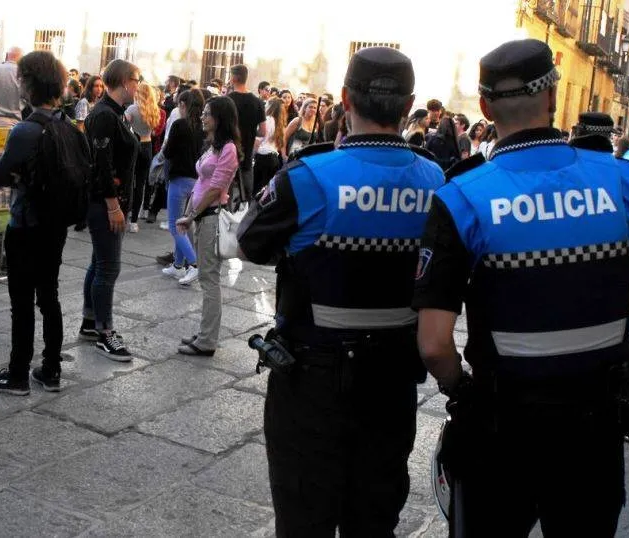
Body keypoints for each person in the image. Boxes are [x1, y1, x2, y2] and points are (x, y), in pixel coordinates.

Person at [414, 39, 629, 536]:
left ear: (485, 106)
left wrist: (458, 386)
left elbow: (433, 344)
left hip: (498, 427)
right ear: (553, 97)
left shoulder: (462, 195)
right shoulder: (622, 182)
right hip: (592, 429)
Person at [237, 46, 443, 536]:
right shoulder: (438, 180)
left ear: (345, 98)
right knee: (373, 519)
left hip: (312, 380)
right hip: (393, 381)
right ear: (409, 104)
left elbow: (249, 243)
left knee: (303, 517)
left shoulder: (308, 175)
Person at [0, 51, 87, 395]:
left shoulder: (25, 130)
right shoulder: (70, 127)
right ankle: (51, 370)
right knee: (50, 296)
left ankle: (16, 374)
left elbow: (0, 176)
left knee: (22, 303)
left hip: (26, 224)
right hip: (55, 225)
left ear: (29, 84)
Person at [80, 59, 140, 361]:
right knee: (109, 267)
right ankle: (105, 332)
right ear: (125, 81)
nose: (138, 87)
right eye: (136, 80)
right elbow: (101, 166)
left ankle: (91, 321)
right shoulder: (105, 114)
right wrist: (114, 206)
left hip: (110, 201)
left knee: (99, 262)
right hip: (105, 202)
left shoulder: (115, 113)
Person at [174, 96, 240, 356]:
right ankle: (205, 333)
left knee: (209, 279)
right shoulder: (213, 146)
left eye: (207, 113)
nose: (202, 117)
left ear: (220, 118)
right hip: (202, 216)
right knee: (205, 277)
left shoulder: (228, 149)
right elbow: (202, 185)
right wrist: (190, 213)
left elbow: (215, 189)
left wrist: (192, 215)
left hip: (211, 217)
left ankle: (207, 340)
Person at [159, 88, 205, 284]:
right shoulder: (203, 127)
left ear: (184, 105)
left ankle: (193, 264)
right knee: (183, 223)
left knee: (174, 224)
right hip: (196, 180)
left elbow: (168, 152)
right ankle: (178, 265)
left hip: (179, 178)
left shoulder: (180, 125)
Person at [226, 64, 266, 203]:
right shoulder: (258, 102)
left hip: (227, 151)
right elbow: (262, 131)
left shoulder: (227, 100)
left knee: (226, 195)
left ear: (234, 78)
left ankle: (225, 220)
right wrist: (249, 131)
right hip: (247, 153)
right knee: (247, 197)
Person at [126, 82, 162, 233]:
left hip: (134, 145)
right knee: (141, 184)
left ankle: (126, 213)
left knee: (129, 181)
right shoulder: (155, 110)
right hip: (147, 146)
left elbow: (124, 124)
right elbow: (154, 131)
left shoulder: (132, 109)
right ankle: (134, 221)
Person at [253, 96, 286, 195]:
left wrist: (252, 157)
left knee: (255, 190)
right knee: (264, 192)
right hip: (274, 159)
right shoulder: (280, 123)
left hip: (263, 157)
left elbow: (258, 141)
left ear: (270, 106)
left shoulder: (267, 119)